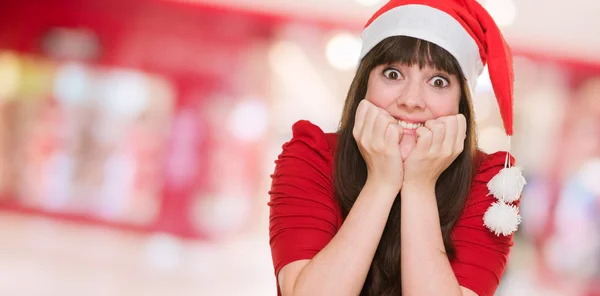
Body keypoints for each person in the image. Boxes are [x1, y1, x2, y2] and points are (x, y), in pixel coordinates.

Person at [267, 0, 526, 295]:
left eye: (438, 81)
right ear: (364, 83)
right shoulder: (312, 156)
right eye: (393, 74)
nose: (411, 100)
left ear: (461, 104)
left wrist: (419, 185)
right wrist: (381, 182)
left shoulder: (488, 183)